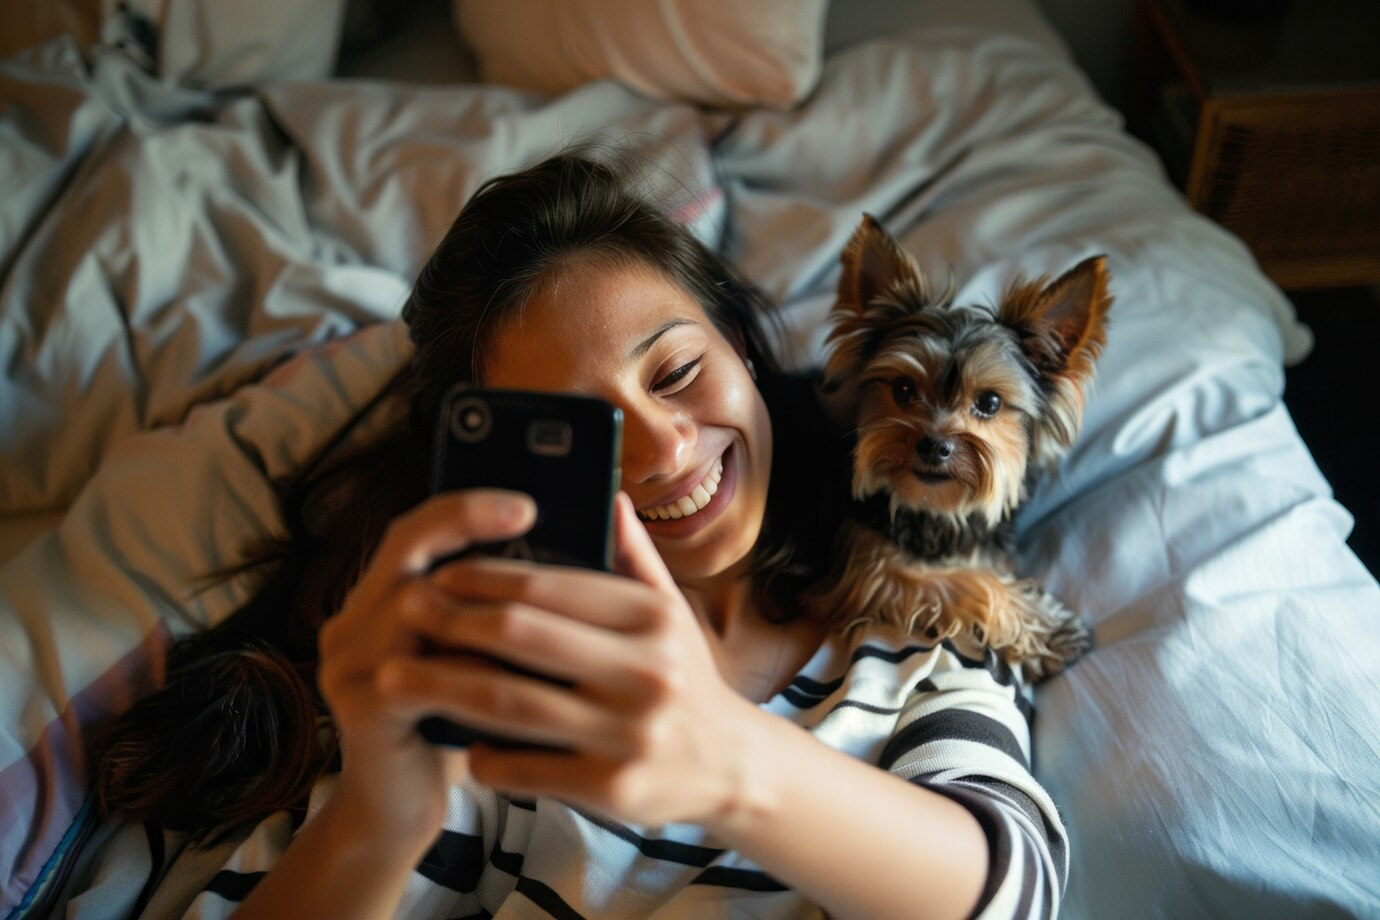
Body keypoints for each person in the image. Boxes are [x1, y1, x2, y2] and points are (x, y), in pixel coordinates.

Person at [91, 150, 1067, 920]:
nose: (658, 448)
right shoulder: (498, 692)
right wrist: (379, 817)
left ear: (741, 345)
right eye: (575, 430)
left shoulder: (922, 620)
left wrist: (729, 756)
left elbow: (1009, 886)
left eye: (676, 372)